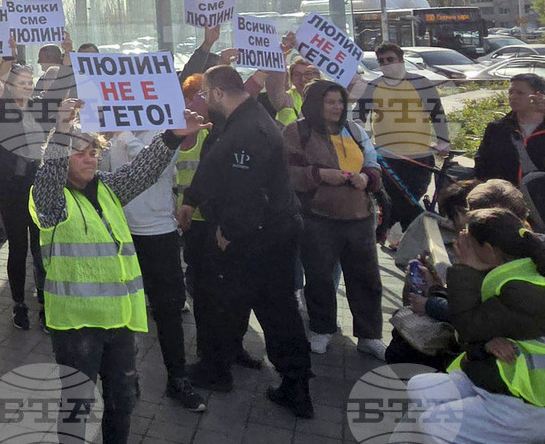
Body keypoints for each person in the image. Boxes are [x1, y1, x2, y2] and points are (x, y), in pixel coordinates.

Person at [30, 98, 210, 443]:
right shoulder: (51, 199)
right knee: (76, 406)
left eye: (93, 153)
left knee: (122, 401)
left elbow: (142, 170)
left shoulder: (108, 188)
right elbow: (50, 175)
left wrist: (171, 137)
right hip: (77, 325)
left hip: (119, 322)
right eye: (79, 153)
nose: (89, 159)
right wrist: (63, 130)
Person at [179, 65, 314, 418]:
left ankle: (291, 384)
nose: (206, 100)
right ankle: (224, 361)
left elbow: (246, 190)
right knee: (235, 301)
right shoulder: (239, 118)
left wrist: (230, 231)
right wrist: (192, 199)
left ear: (219, 93)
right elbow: (214, 166)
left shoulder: (250, 129)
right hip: (263, 230)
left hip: (260, 236)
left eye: (208, 94)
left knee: (272, 309)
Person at [400, 207, 545, 443]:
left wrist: (465, 268)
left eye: (468, 242)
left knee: (434, 424)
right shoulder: (512, 273)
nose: (461, 244)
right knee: (420, 387)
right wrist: (487, 345)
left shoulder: (524, 290)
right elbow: (476, 334)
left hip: (528, 402)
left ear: (488, 251)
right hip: (499, 378)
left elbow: (466, 328)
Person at [281, 80, 386, 359]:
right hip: (318, 218)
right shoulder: (297, 131)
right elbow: (286, 173)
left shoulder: (355, 130)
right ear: (316, 104)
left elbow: (373, 163)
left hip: (359, 217)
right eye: (330, 102)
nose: (337, 108)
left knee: (366, 279)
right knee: (319, 277)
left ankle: (369, 335)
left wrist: (367, 177)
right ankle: (321, 329)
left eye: (340, 102)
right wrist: (318, 174)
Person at [107, 128, 206, 412]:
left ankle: (177, 378)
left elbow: (154, 163)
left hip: (158, 231)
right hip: (119, 232)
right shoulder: (107, 126)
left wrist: (123, 135)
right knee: (122, 310)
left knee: (169, 310)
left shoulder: (166, 127)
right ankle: (127, 375)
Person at [355, 42, 450, 234]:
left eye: (390, 59)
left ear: (401, 60)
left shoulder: (422, 83)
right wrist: (361, 134)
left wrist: (443, 141)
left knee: (411, 199)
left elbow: (437, 114)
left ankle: (397, 234)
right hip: (387, 157)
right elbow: (359, 114)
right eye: (381, 61)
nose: (386, 63)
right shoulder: (374, 86)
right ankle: (406, 238)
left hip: (419, 156)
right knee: (394, 201)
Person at [0, 63, 48, 330]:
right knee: (18, 248)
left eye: (30, 82)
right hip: (12, 189)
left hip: (38, 188)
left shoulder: (39, 107)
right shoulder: (1, 108)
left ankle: (46, 304)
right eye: (21, 82)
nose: (27, 86)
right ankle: (19, 305)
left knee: (40, 249)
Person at [474, 73, 545, 185]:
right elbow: (482, 164)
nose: (513, 97)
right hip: (505, 196)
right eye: (511, 92)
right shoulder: (497, 128)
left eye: (520, 93)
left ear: (539, 96)